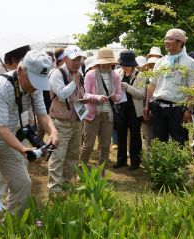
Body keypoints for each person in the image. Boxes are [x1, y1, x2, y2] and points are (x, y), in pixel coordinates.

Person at [0, 50, 59, 234]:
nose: (36, 87)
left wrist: (53, 132)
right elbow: (2, 128)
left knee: (23, 183)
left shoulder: (34, 88)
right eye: (33, 81)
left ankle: (12, 227)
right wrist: (23, 149)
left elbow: (43, 115)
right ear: (21, 70)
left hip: (5, 142)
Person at [0, 45, 31, 213]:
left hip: (21, 121)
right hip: (1, 124)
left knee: (21, 160)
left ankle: (14, 194)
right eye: (20, 59)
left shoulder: (27, 74)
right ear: (11, 60)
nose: (23, 63)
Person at [144, 28, 194, 144]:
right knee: (159, 142)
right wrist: (147, 105)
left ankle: (179, 163)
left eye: (170, 39)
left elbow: (193, 88)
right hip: (158, 108)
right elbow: (152, 84)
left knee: (179, 142)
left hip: (178, 109)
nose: (166, 42)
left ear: (180, 42)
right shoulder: (160, 61)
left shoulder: (190, 62)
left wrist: (188, 109)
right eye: (165, 39)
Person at [47, 45, 86, 196]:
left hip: (76, 121)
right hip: (60, 122)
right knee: (58, 156)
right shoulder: (56, 73)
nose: (77, 62)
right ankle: (54, 191)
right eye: (74, 59)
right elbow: (62, 95)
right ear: (64, 59)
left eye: (79, 59)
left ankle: (67, 185)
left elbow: (80, 95)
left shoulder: (78, 73)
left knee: (72, 156)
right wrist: (74, 82)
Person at [79, 47, 122, 176]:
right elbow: (85, 95)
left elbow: (119, 94)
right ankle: (82, 169)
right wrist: (97, 97)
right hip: (92, 113)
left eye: (109, 62)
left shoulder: (115, 76)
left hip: (107, 114)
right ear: (99, 62)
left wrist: (115, 97)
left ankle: (102, 171)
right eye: (105, 62)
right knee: (88, 144)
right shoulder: (90, 74)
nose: (107, 64)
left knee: (105, 144)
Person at [113, 50, 144, 170]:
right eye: (122, 65)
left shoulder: (140, 75)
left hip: (134, 109)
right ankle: (121, 160)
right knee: (121, 134)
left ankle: (135, 161)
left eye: (127, 65)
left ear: (133, 64)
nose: (124, 67)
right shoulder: (117, 73)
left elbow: (141, 94)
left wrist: (127, 87)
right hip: (120, 107)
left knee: (135, 135)